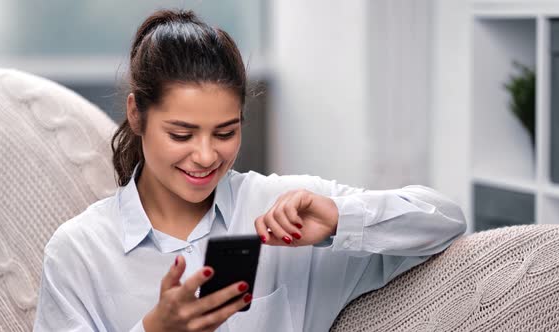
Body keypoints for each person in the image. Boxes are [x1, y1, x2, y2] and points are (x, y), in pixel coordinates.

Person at [33, 9, 466, 332]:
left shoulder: (280, 209)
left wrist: (339, 219)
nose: (205, 157)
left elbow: (444, 221)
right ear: (137, 115)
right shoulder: (79, 252)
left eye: (225, 132)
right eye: (182, 134)